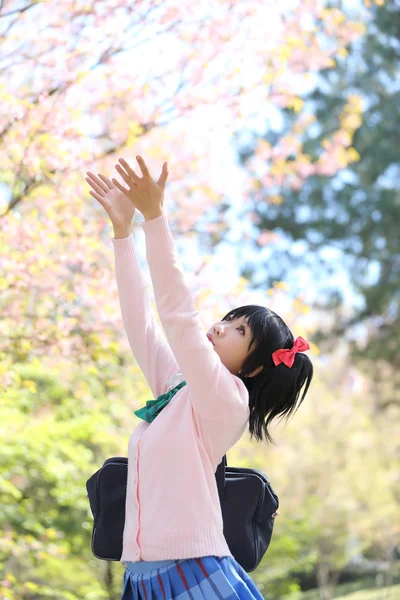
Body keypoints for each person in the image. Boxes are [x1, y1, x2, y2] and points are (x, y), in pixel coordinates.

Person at [85, 156, 313, 600]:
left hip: (193, 573)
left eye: (239, 329)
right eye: (228, 318)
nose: (221, 326)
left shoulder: (226, 400)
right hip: (141, 576)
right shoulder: (180, 388)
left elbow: (177, 316)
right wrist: (122, 234)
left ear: (255, 366)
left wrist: (155, 219)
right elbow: (141, 323)